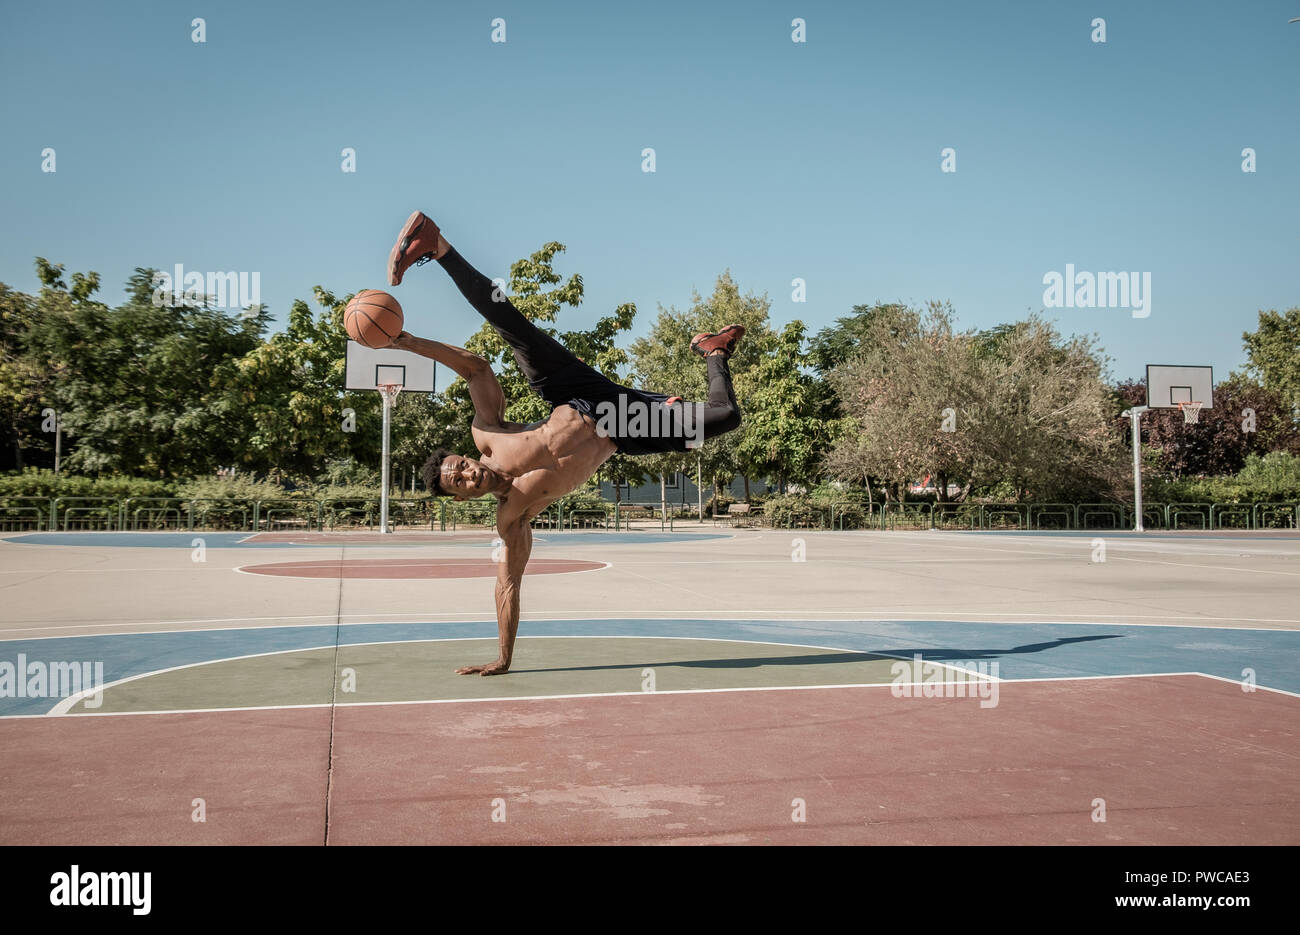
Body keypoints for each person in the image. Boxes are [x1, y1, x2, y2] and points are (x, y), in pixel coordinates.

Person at [384, 211, 744, 675]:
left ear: (466, 456)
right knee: (725, 417)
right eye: (461, 483)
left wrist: (409, 342)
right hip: (621, 425)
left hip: (570, 392)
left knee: (508, 322)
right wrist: (503, 658)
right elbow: (508, 585)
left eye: (462, 466)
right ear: (462, 497)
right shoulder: (513, 516)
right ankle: (714, 350)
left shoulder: (490, 436)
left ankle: (435, 244)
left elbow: (474, 367)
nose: (469, 474)